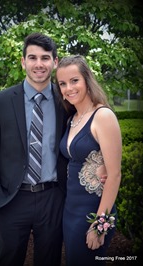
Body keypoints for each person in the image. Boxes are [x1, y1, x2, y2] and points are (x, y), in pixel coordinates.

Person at [0, 32, 70, 266]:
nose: (39, 64)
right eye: (32, 57)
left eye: (45, 58)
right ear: (23, 61)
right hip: (11, 199)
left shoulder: (67, 102)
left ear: (55, 62)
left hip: (52, 199)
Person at [55, 55, 122, 265]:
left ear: (87, 80)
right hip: (70, 210)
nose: (69, 88)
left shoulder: (103, 116)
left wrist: (100, 225)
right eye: (63, 83)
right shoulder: (72, 118)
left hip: (94, 212)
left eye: (74, 80)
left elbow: (114, 175)